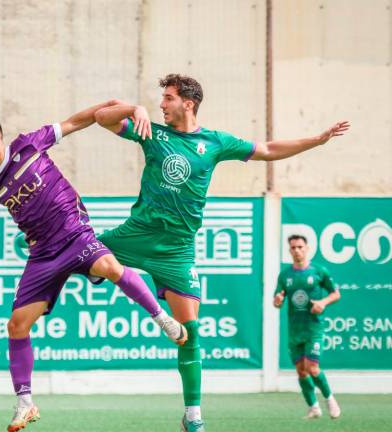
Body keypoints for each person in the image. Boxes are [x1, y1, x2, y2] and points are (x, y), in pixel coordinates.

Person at [93, 73, 350, 432]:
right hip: (136, 234)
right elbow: (101, 118)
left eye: (168, 98)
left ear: (188, 102)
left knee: (190, 332)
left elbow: (268, 150)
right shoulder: (150, 130)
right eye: (160, 99)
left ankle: (193, 416)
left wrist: (316, 141)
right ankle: (85, 269)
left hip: (177, 252)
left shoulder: (215, 142)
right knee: (74, 247)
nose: (161, 105)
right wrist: (131, 108)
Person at [0, 102, 188, 432]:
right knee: (17, 326)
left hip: (75, 235)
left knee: (112, 268)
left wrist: (134, 108)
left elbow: (80, 119)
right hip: (43, 255)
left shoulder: (29, 144)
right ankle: (26, 403)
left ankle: (162, 319)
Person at [274, 234, 341, 420]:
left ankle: (329, 399)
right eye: (293, 247)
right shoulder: (285, 275)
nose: (297, 250)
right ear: (289, 250)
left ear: (307, 248)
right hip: (295, 330)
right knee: (301, 371)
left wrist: (323, 302)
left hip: (314, 328)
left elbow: (336, 294)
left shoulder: (319, 271)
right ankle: (314, 407)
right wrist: (278, 300)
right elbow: (277, 301)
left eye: (300, 247)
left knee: (312, 368)